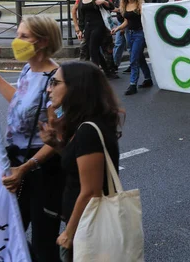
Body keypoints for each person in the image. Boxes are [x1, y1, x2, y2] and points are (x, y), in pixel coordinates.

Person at [40, 61, 121, 260]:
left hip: (90, 226)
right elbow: (78, 165)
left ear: (75, 87)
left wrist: (69, 232)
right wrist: (58, 144)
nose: (49, 89)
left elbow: (91, 191)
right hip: (87, 223)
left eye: (56, 83)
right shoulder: (84, 126)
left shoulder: (88, 131)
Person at [0, 16, 63, 261]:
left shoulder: (56, 80)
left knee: (44, 243)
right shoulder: (28, 69)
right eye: (17, 35)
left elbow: (57, 135)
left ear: (43, 41)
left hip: (41, 171)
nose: (17, 41)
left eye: (24, 36)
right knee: (11, 230)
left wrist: (25, 168)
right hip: (16, 165)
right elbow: (22, 102)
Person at [111, 0, 153, 95]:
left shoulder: (140, 5)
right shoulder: (124, 6)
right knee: (139, 57)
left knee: (133, 58)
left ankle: (132, 84)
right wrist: (117, 28)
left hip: (140, 33)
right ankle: (148, 78)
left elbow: (147, 19)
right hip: (129, 33)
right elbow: (126, 21)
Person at [74, 0, 115, 70]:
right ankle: (107, 70)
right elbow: (81, 15)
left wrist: (104, 2)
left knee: (93, 49)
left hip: (98, 25)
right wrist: (80, 30)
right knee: (93, 49)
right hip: (88, 27)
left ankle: (95, 72)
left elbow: (112, 7)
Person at [111, 0, 130, 71]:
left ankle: (115, 64)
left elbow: (124, 10)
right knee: (120, 44)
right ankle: (114, 64)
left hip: (125, 23)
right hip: (121, 22)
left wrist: (112, 8)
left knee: (127, 45)